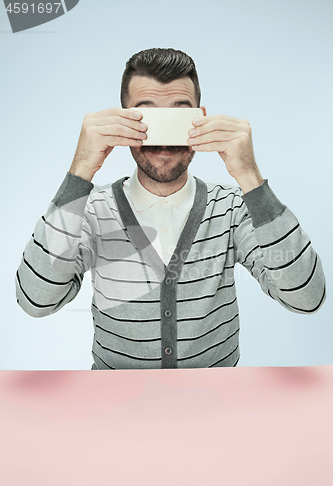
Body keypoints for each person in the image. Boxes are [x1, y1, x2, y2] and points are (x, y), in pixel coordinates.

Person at [15, 48, 326, 370]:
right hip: (114, 408)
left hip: (217, 407)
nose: (163, 139)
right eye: (146, 116)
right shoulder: (91, 210)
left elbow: (305, 298)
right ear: (122, 121)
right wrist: (80, 171)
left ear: (200, 119)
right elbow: (37, 301)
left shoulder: (233, 207)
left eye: (178, 115)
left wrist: (250, 177)